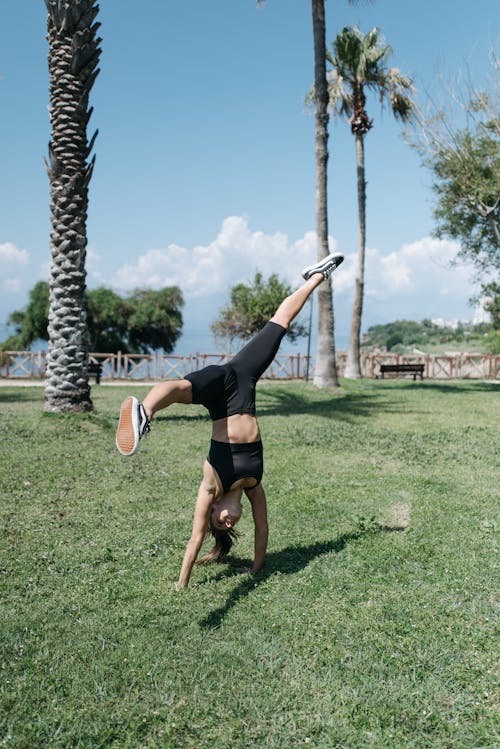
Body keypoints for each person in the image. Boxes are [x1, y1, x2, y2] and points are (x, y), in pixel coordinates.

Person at [115, 252, 344, 588]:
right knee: (280, 325)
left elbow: (194, 539)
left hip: (222, 387)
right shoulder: (254, 485)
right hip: (243, 381)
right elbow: (263, 529)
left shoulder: (212, 485)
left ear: (214, 507)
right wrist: (256, 568)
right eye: (227, 525)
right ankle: (319, 277)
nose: (226, 520)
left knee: (180, 388)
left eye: (218, 520)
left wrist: (181, 584)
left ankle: (144, 412)